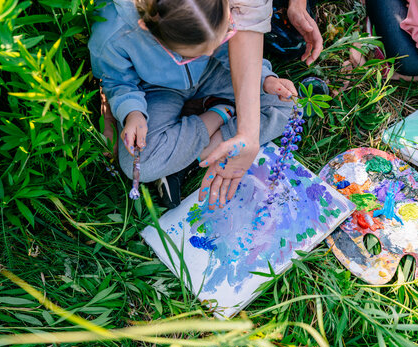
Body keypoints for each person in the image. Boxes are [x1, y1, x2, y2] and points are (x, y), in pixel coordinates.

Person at [89, 0, 297, 210]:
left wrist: (265, 80)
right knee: (140, 164)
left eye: (222, 37)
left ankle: (184, 161)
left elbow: (235, 54)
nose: (208, 53)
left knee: (288, 107)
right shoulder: (113, 33)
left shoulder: (211, 19)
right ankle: (221, 112)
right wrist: (132, 112)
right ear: (147, 28)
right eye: (190, 55)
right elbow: (117, 81)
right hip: (157, 89)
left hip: (213, 72)